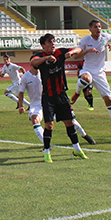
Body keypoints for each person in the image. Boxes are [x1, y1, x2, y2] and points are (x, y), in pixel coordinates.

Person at [30, 33, 88, 163]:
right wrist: (46, 59)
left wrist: (72, 52)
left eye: (54, 41)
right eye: (50, 42)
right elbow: (32, 62)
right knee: (49, 125)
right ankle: (46, 152)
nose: (53, 44)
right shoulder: (40, 56)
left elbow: (79, 49)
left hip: (61, 95)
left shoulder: (60, 52)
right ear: (43, 45)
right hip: (48, 97)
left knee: (70, 122)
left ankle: (77, 149)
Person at [71, 19, 111, 143]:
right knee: (86, 79)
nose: (98, 29)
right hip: (87, 69)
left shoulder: (105, 37)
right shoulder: (85, 40)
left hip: (100, 73)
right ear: (90, 29)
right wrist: (88, 51)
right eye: (96, 27)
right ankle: (77, 92)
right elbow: (76, 57)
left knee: (109, 101)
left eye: (99, 26)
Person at [18, 65, 96, 145]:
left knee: (70, 120)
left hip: (49, 101)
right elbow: (21, 92)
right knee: (35, 120)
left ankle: (85, 135)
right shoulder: (25, 77)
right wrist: (21, 106)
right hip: (36, 104)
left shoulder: (44, 73)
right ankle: (46, 145)